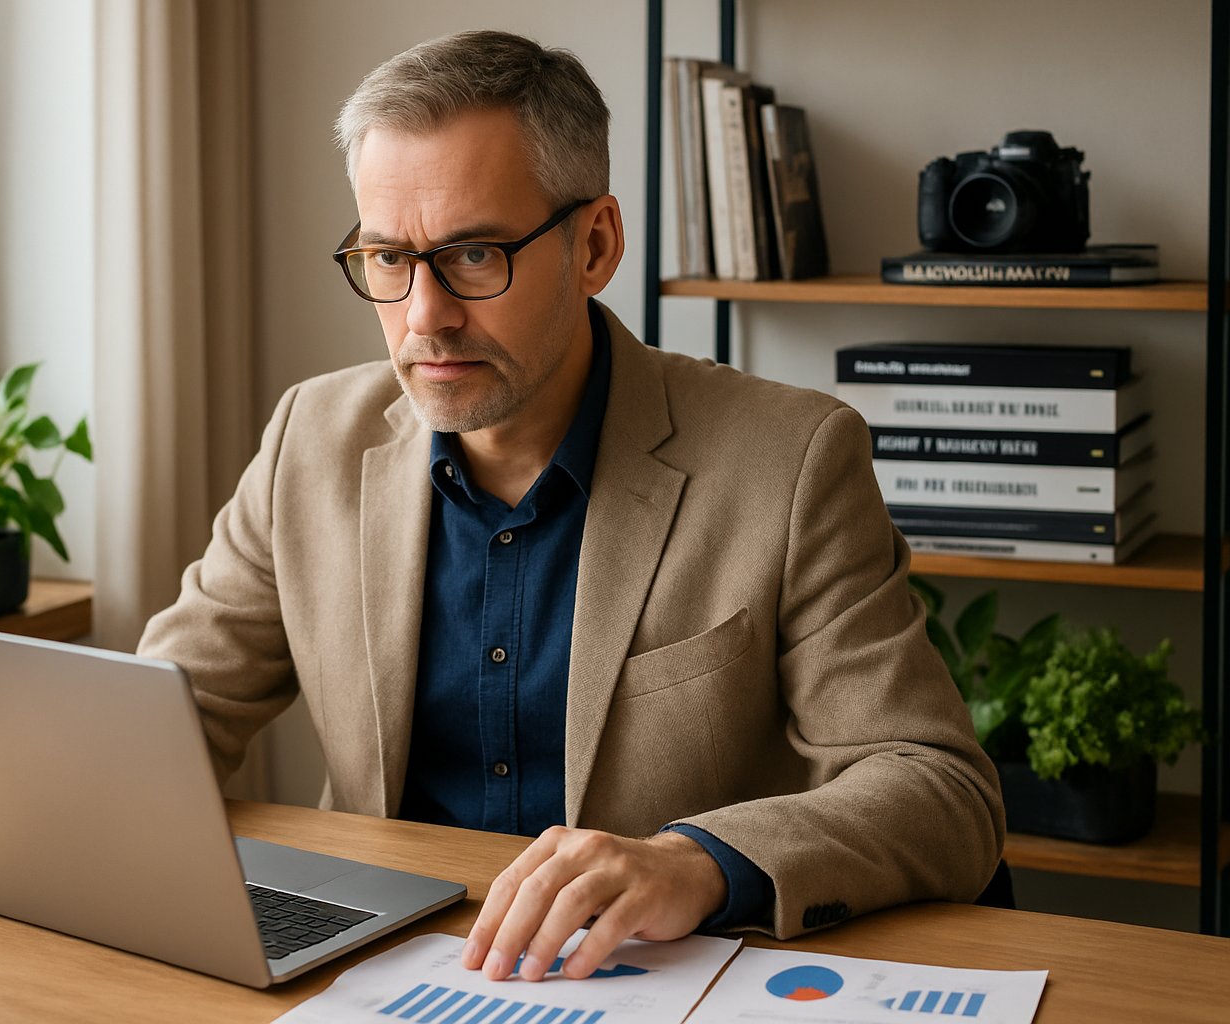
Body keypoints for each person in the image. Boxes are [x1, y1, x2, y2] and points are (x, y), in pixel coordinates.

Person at [138, 29, 1003, 982]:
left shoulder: (790, 461)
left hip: (652, 979)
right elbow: (161, 718)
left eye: (473, 254)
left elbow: (938, 788)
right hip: (379, 973)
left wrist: (695, 863)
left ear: (594, 245)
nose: (424, 315)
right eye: (387, 257)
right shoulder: (311, 438)